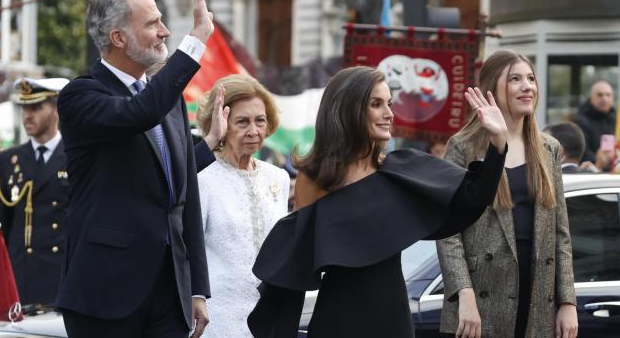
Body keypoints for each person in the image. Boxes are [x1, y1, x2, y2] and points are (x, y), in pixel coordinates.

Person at [247, 66, 509, 338]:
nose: (389, 114)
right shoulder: (315, 176)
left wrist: (498, 143)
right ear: (349, 109)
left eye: (389, 104)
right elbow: (295, 263)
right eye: (376, 104)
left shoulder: (402, 170)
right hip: (336, 321)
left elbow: (474, 197)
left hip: (392, 320)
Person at [56, 0, 215, 337]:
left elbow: (184, 202)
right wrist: (196, 41)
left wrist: (196, 288)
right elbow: (139, 113)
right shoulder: (80, 96)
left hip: (169, 292)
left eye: (161, 20)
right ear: (118, 38)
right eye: (152, 23)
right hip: (106, 293)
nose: (165, 32)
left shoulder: (168, 99)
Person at [437, 50, 578, 338]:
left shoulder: (548, 148)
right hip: (480, 294)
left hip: (537, 293)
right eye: (515, 79)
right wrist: (464, 294)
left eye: (530, 78)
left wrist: (567, 301)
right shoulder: (463, 146)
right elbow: (448, 231)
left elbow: (560, 231)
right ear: (492, 89)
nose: (527, 86)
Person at [195, 75, 290, 337]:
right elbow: (189, 253)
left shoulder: (279, 178)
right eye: (242, 121)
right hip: (217, 315)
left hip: (269, 314)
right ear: (221, 124)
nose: (253, 130)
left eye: (260, 120)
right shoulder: (202, 178)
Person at [0, 77, 69, 306]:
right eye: (24, 107)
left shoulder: (75, 156)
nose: (27, 115)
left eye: (35, 107)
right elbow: (0, 222)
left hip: (59, 274)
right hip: (19, 276)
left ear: (56, 109)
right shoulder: (8, 159)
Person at [573, 80, 616, 167]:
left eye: (608, 95)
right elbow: (581, 150)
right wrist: (597, 160)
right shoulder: (581, 120)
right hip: (590, 171)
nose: (604, 99)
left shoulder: (615, 118)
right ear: (591, 98)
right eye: (600, 95)